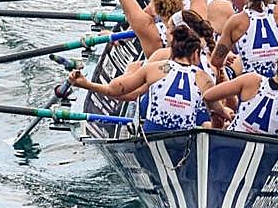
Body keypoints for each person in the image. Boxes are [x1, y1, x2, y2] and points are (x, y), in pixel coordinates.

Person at [69, 25, 217, 133]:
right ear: (196, 53)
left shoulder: (153, 69)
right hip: (186, 140)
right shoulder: (204, 78)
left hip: (152, 134)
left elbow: (115, 90)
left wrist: (86, 84)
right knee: (206, 125)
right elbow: (217, 113)